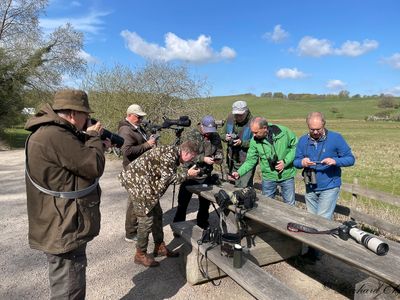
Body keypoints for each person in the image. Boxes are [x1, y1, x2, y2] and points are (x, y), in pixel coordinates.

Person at [25, 89, 109, 299]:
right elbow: (93, 165)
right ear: (73, 113)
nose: (87, 120)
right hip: (64, 225)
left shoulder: (48, 133)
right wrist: (92, 137)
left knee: (66, 282)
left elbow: (70, 167)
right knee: (69, 288)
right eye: (85, 115)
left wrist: (90, 141)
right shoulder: (55, 135)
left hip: (56, 220)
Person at [118, 140, 200, 267]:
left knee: (157, 214)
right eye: (192, 157)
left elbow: (164, 176)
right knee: (146, 220)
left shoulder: (173, 152)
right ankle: (140, 254)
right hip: (138, 184)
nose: (191, 160)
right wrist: (187, 175)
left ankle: (160, 247)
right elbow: (167, 180)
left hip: (145, 183)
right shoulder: (170, 155)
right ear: (186, 152)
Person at [293, 112, 355, 263]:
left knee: (322, 220)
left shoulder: (336, 138)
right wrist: (302, 162)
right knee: (312, 220)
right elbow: (295, 161)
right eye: (312, 129)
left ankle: (316, 253)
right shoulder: (302, 140)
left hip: (330, 185)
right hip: (310, 185)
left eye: (318, 129)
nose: (315, 132)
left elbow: (351, 159)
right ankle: (315, 250)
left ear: (324, 125)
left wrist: (335, 161)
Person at [232, 117, 297, 205]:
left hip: (287, 175)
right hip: (268, 177)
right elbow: (250, 160)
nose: (254, 135)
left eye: (256, 132)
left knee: (290, 206)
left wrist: (285, 162)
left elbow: (296, 147)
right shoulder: (254, 141)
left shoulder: (284, 132)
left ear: (265, 128)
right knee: (267, 205)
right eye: (252, 132)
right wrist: (239, 172)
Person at [173, 115, 223, 229]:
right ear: (201, 126)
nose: (208, 134)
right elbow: (185, 154)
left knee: (205, 204)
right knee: (183, 203)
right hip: (190, 172)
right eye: (207, 131)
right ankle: (178, 225)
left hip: (206, 174)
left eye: (211, 131)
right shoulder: (191, 134)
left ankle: (202, 223)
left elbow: (220, 152)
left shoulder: (215, 136)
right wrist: (202, 159)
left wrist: (217, 159)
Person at [118, 104, 157, 242]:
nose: (141, 119)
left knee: (136, 200)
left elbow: (140, 143)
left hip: (140, 168)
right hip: (133, 170)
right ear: (129, 115)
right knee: (133, 202)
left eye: (142, 117)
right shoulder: (125, 130)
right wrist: (147, 145)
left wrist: (150, 141)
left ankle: (136, 228)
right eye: (138, 117)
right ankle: (130, 233)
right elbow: (127, 151)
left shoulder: (135, 127)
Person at [221, 100, 254, 187]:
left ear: (246, 112)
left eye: (240, 115)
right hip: (232, 159)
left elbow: (257, 143)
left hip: (246, 160)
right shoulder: (230, 118)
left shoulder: (253, 122)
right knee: (233, 185)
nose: (238, 117)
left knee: (244, 186)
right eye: (236, 114)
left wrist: (242, 143)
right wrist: (225, 137)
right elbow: (222, 134)